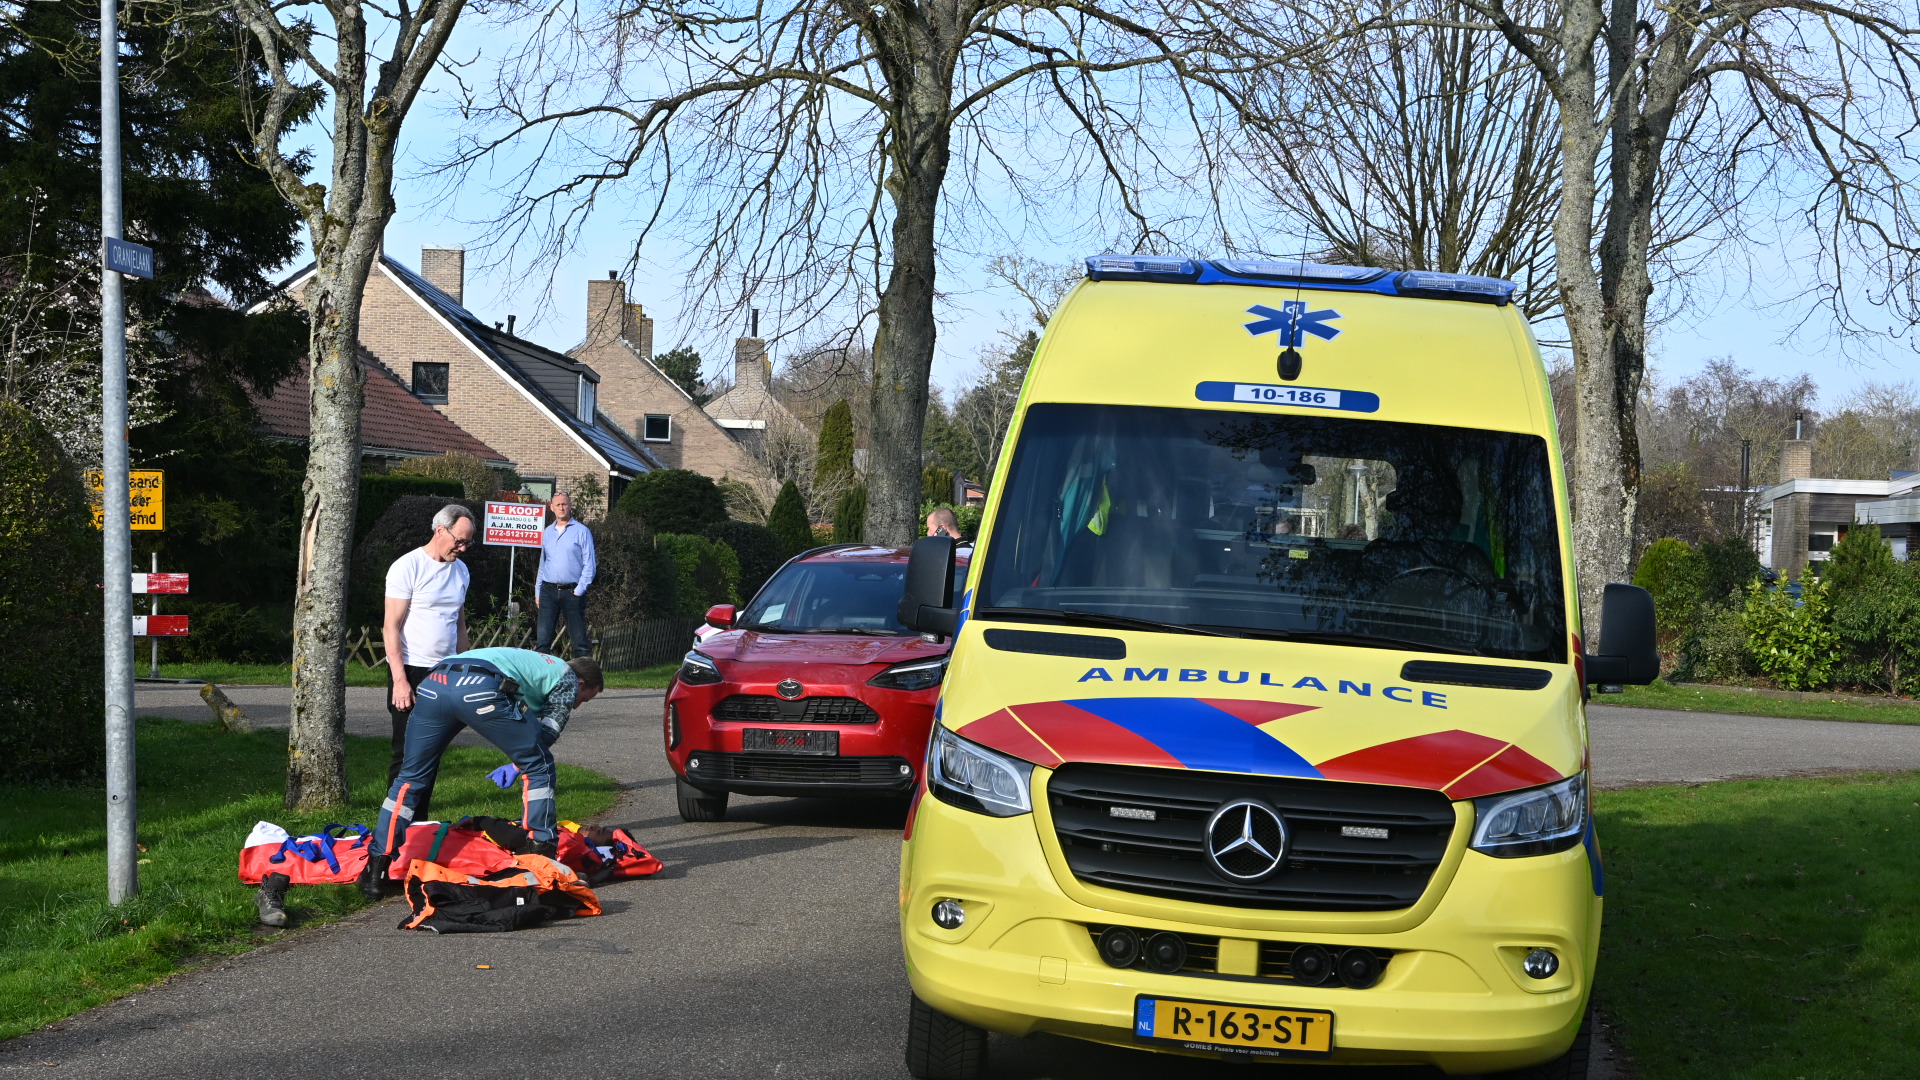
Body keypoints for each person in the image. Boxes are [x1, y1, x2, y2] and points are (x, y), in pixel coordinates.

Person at [362, 648, 605, 896]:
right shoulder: (567, 677)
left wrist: (517, 761)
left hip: (434, 682)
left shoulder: (538, 665)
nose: (576, 706)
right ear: (582, 682)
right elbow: (547, 734)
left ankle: (376, 870)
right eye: (583, 699)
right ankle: (542, 863)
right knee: (540, 767)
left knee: (409, 779)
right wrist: (520, 763)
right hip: (479, 686)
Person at [382, 503, 474, 820]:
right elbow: (390, 626)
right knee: (406, 754)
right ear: (440, 530)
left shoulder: (461, 571)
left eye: (467, 543)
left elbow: (459, 625)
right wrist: (399, 680)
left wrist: (463, 669)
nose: (462, 548)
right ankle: (394, 826)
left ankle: (418, 824)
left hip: (445, 672)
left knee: (431, 754)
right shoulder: (407, 567)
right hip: (411, 669)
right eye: (459, 541)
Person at [534, 492, 596, 657]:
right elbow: (543, 564)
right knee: (542, 641)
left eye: (564, 504)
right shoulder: (547, 532)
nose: (561, 508)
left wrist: (579, 590)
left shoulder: (582, 531)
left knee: (579, 641)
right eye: (558, 505)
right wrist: (538, 591)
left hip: (572, 591)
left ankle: (585, 679)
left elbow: (590, 564)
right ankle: (542, 679)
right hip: (548, 590)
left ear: (570, 506)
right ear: (551, 507)